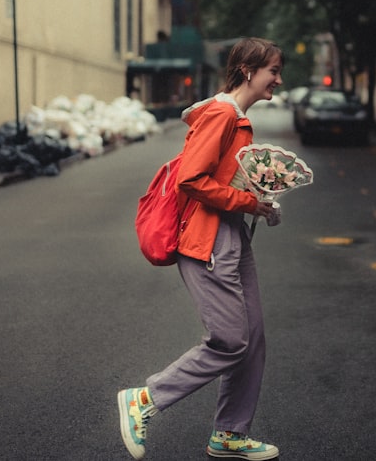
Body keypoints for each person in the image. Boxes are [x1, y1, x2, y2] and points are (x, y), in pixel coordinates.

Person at [118, 37, 284, 460]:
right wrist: (249, 201)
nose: (278, 81)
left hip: (231, 234)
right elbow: (190, 179)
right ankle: (146, 399)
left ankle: (229, 433)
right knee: (231, 339)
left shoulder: (235, 116)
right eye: (273, 71)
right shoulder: (222, 114)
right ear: (248, 70)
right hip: (208, 239)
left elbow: (223, 177)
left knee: (254, 337)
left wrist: (260, 201)